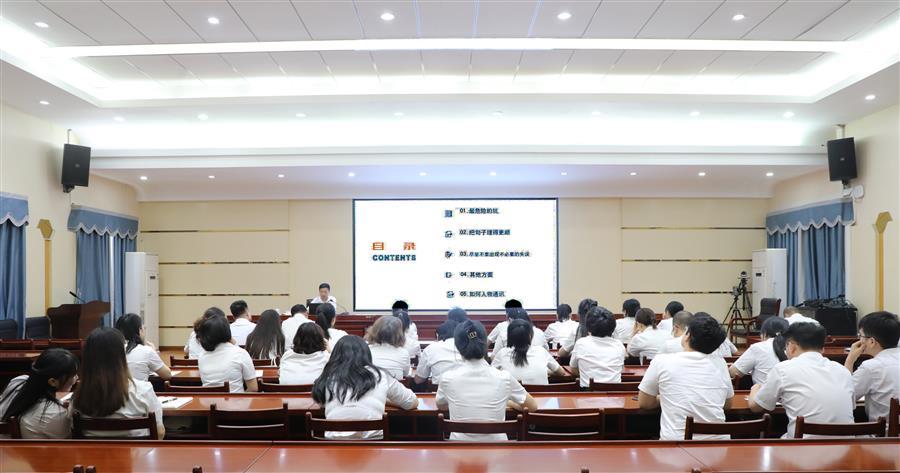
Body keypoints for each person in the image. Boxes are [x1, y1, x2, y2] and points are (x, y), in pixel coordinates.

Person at [749, 322, 855, 438]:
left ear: (791, 346)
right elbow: (852, 406)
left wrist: (755, 389)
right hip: (846, 446)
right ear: (822, 349)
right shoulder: (843, 370)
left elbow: (756, 407)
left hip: (802, 446)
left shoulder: (783, 369)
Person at [436, 320, 537, 440]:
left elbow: (441, 406)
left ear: (457, 346)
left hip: (459, 448)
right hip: (498, 449)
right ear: (484, 343)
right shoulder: (504, 378)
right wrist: (508, 402)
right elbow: (532, 406)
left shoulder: (447, 378)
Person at [638, 316, 734, 440]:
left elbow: (645, 403)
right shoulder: (721, 363)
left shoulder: (662, 360)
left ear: (687, 336)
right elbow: (727, 404)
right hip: (719, 444)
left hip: (677, 445)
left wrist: (663, 397)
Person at [312, 336, 418, 439]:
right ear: (366, 354)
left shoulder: (328, 376)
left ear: (336, 355)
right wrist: (384, 399)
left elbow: (321, 403)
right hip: (374, 443)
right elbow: (411, 402)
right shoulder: (380, 375)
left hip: (333, 444)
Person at [71, 328, 165, 439]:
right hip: (137, 450)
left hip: (91, 450)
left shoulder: (78, 397)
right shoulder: (143, 390)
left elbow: (71, 431)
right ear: (121, 356)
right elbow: (159, 432)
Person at [0, 348, 78, 439]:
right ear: (53, 382)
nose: (77, 378)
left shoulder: (18, 380)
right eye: (73, 375)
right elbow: (68, 442)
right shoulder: (55, 414)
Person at [844, 311, 900, 425]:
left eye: (860, 336)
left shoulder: (871, 367)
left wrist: (849, 361)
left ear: (871, 341)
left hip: (884, 434)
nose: (859, 340)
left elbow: (845, 398)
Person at [492, 319, 565, 385]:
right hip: (540, 395)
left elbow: (491, 376)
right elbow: (561, 372)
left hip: (512, 396)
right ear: (530, 336)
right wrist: (545, 372)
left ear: (509, 337)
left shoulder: (502, 353)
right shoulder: (541, 351)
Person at [197, 315, 258, 393]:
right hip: (235, 400)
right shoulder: (240, 353)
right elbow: (253, 388)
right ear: (227, 332)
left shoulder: (202, 356)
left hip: (207, 400)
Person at [569, 306, 626, 388]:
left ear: (588, 326)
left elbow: (573, 368)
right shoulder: (619, 345)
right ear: (612, 327)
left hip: (587, 393)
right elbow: (620, 369)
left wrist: (585, 376)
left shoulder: (581, 343)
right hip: (615, 393)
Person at [729, 317, 789, 384]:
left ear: (765, 333)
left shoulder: (758, 347)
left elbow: (733, 372)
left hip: (764, 390)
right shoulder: (793, 347)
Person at [115, 313, 171, 382]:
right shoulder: (147, 351)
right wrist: (154, 352)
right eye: (143, 328)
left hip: (118, 389)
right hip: (139, 389)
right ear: (140, 330)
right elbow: (167, 375)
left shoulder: (113, 350)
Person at [415, 320, 463, 385]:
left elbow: (418, 380)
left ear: (438, 335)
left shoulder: (430, 348)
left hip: (440, 389)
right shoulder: (468, 346)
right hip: (466, 388)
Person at [365, 316, 411, 380]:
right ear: (400, 334)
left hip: (369, 385)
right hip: (394, 386)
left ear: (374, 330)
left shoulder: (365, 350)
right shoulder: (404, 353)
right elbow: (406, 373)